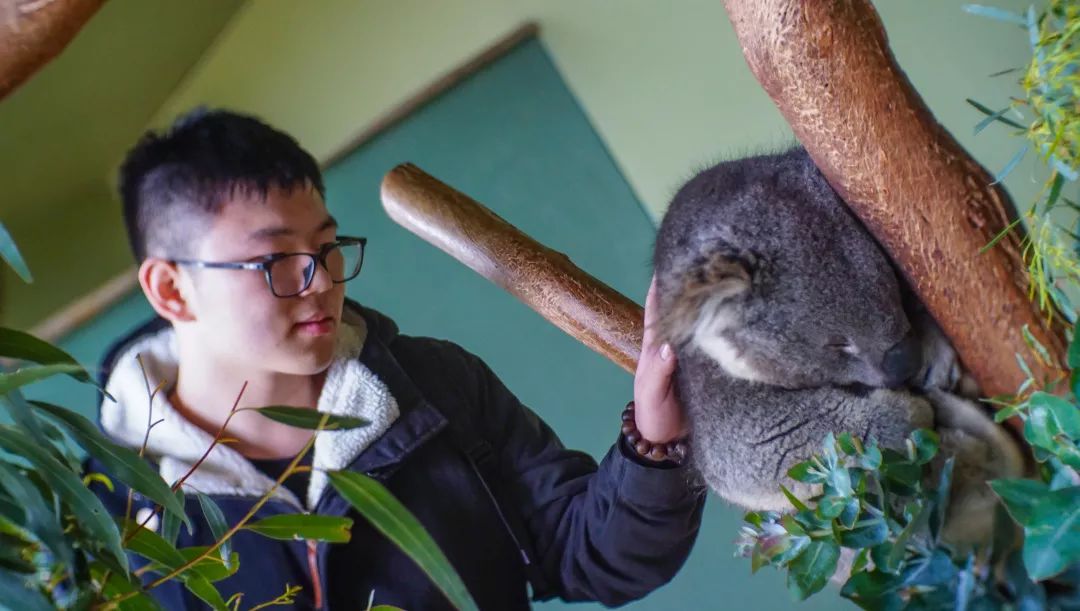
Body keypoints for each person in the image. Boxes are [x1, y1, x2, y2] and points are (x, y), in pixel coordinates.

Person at [87, 108, 706, 610]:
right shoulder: (107, 503)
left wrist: (654, 444)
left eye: (326, 246)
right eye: (275, 260)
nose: (320, 280)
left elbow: (585, 556)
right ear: (172, 289)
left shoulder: (435, 385)